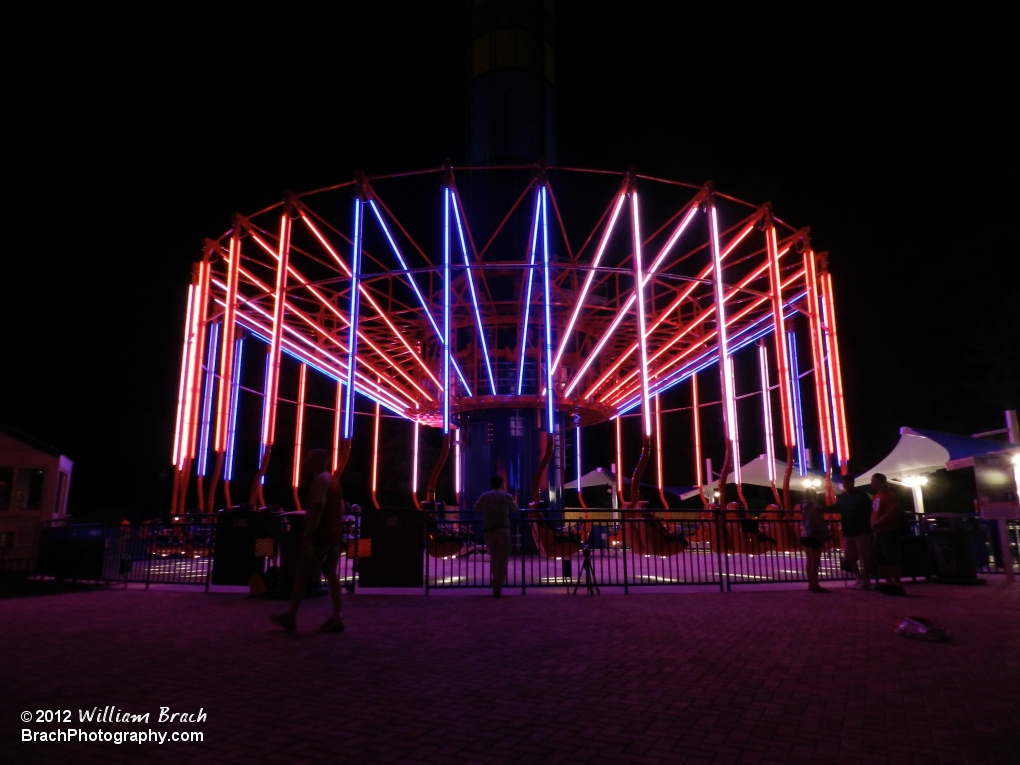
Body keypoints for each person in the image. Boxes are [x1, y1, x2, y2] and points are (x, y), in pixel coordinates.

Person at [271, 449, 345, 632]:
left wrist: (309, 535)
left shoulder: (320, 481)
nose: (305, 462)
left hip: (319, 537)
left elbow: (318, 508)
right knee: (330, 573)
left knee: (302, 574)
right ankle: (337, 616)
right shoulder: (334, 481)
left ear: (320, 461)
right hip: (332, 535)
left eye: (309, 459)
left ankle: (291, 616)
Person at [474, 475, 519, 597]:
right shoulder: (507, 496)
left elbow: (476, 508)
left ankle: (494, 580)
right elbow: (515, 509)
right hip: (503, 529)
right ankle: (497, 586)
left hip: (489, 530)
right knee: (502, 558)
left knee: (493, 556)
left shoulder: (485, 496)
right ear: (502, 484)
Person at [870, 473, 905, 596]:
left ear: (881, 481)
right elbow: (874, 512)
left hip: (888, 531)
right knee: (880, 557)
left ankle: (897, 583)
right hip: (879, 531)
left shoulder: (890, 495)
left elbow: (892, 512)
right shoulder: (877, 496)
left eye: (874, 481)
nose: (872, 483)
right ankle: (890, 583)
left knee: (891, 557)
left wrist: (878, 523)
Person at [836, 474, 872, 589]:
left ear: (852, 483)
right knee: (849, 557)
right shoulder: (843, 497)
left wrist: (866, 528)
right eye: (844, 483)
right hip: (848, 530)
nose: (845, 485)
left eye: (847, 483)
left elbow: (868, 512)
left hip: (860, 530)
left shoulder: (861, 496)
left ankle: (865, 580)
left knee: (864, 556)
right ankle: (859, 578)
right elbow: (836, 507)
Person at [798, 487, 828, 593]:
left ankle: (811, 583)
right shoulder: (816, 507)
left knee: (809, 561)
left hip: (805, 534)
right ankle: (816, 584)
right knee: (815, 562)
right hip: (814, 535)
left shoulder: (803, 506)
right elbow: (818, 522)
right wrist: (825, 531)